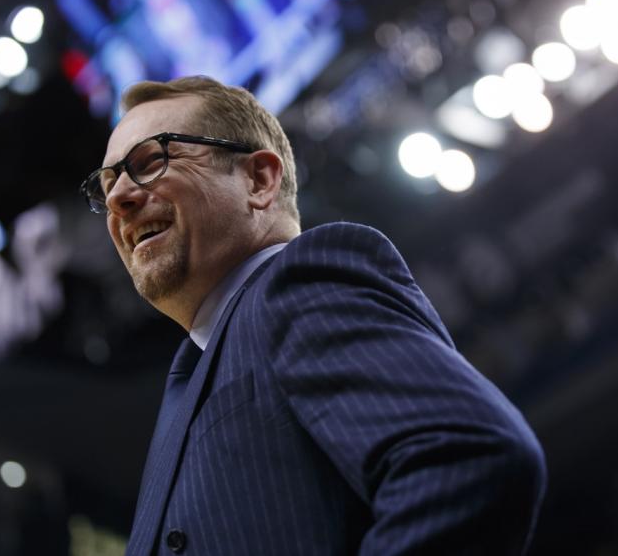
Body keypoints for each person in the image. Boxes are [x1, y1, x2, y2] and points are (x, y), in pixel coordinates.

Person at [80, 76, 546, 555]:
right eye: (107, 185)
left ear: (258, 181)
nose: (117, 199)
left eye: (151, 161)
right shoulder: (190, 373)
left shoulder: (296, 283)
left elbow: (466, 455)